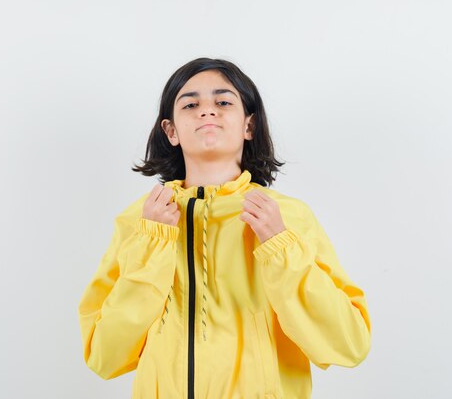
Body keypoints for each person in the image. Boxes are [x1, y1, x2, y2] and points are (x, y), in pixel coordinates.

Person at [77, 57, 372, 399]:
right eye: (190, 104)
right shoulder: (140, 222)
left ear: (249, 125)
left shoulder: (287, 217)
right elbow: (104, 357)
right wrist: (152, 247)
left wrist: (281, 250)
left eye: (223, 101)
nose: (207, 111)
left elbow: (348, 345)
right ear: (171, 131)